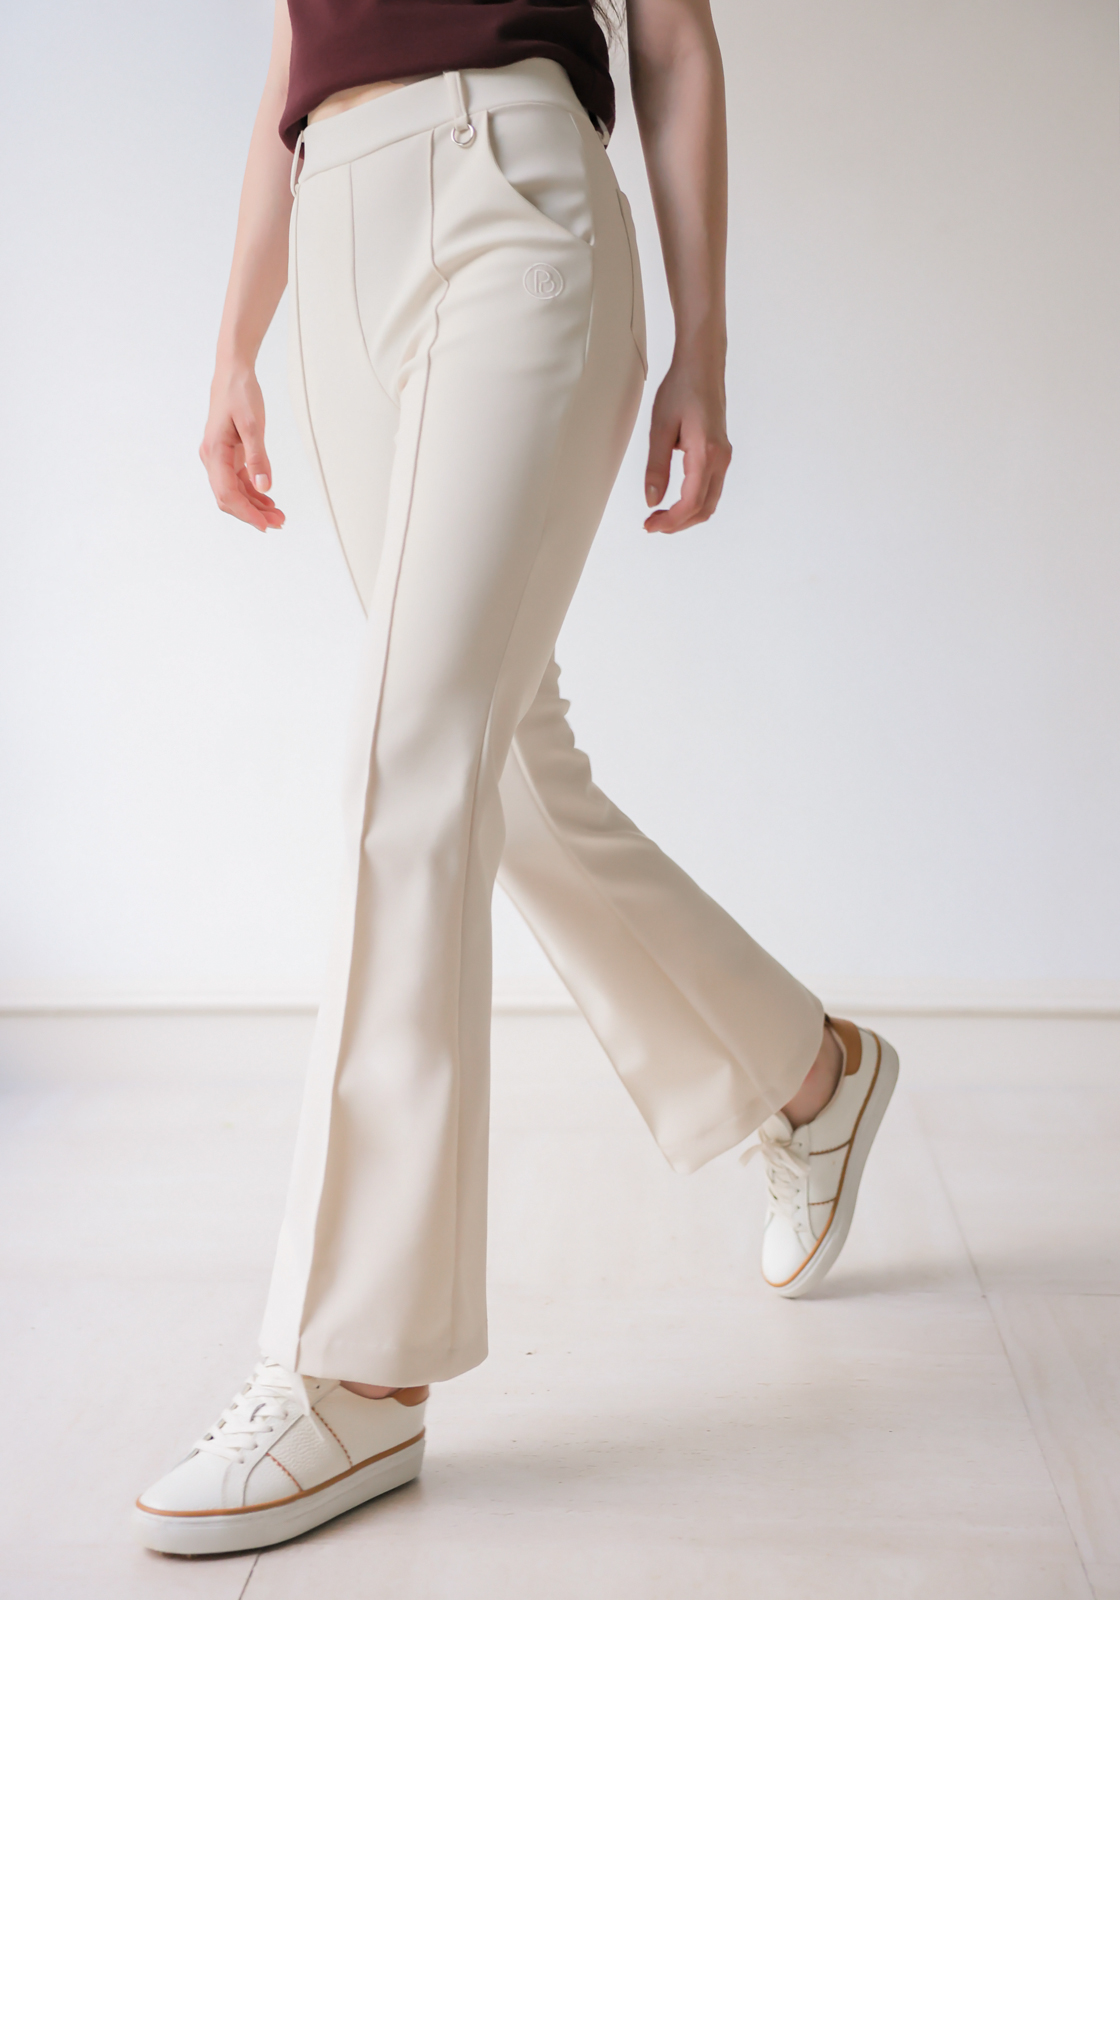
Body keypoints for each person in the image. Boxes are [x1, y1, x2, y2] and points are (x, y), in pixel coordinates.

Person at [135, 0, 898, 1557]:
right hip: (336, 223)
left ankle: (357, 1363)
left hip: (513, 197)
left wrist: (705, 346)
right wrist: (232, 341)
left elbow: (670, 39)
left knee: (409, 759)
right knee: (506, 773)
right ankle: (807, 1076)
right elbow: (292, 57)